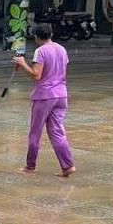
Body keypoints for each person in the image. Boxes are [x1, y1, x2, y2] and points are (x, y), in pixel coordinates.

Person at [13, 23, 74, 177]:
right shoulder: (62, 49)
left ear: (36, 37)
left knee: (35, 132)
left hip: (45, 95)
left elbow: (36, 74)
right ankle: (67, 166)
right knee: (57, 131)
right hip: (61, 94)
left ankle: (30, 165)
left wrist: (22, 64)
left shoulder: (40, 51)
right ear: (51, 34)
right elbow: (62, 73)